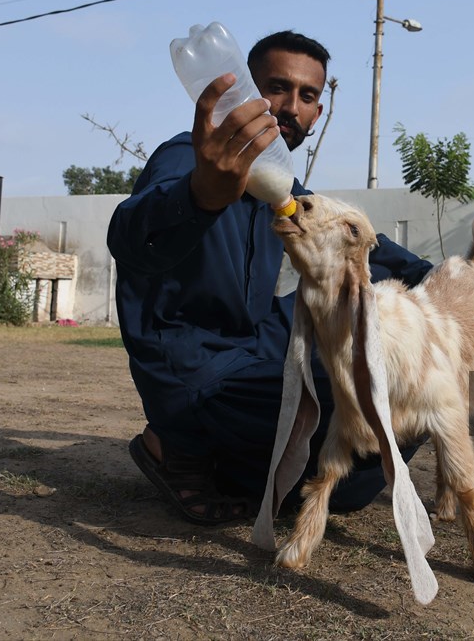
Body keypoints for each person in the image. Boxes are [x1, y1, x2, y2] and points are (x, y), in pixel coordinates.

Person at [107, 31, 432, 525]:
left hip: (254, 347)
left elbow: (363, 243)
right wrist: (200, 193)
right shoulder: (189, 159)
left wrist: (441, 280)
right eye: (276, 87)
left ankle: (239, 465)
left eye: (307, 96)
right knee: (359, 431)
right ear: (244, 95)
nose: (290, 106)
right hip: (199, 372)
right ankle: (176, 445)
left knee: (416, 369)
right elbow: (131, 237)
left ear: (317, 113)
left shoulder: (282, 187)